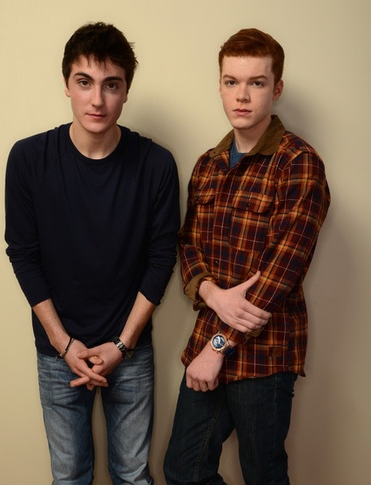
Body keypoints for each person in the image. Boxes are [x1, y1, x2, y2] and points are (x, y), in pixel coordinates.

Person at [5, 22, 180, 485]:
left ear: (126, 91)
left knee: (133, 476)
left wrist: (122, 345)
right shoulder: (27, 159)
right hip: (57, 351)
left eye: (111, 85)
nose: (97, 100)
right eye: (85, 82)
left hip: (130, 350)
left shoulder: (156, 164)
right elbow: (23, 255)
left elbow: (162, 258)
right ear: (67, 84)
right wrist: (64, 344)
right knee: (69, 478)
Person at [164, 28, 330, 484]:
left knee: (263, 475)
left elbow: (281, 272)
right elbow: (188, 243)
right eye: (231, 81)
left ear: (276, 89)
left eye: (256, 82)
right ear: (219, 86)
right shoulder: (208, 164)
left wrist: (218, 346)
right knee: (183, 470)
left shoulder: (299, 163)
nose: (242, 95)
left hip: (265, 356)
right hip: (207, 343)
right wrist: (212, 294)